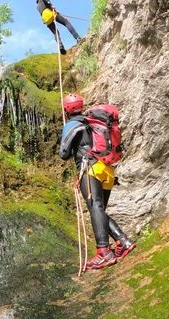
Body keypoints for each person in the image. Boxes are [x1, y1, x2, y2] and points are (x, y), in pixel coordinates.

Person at [59, 94, 136, 270]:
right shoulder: (92, 122)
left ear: (66, 110)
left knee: (96, 208)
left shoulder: (71, 124)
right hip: (107, 169)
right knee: (99, 209)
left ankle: (104, 253)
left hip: (90, 168)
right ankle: (123, 241)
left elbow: (63, 154)